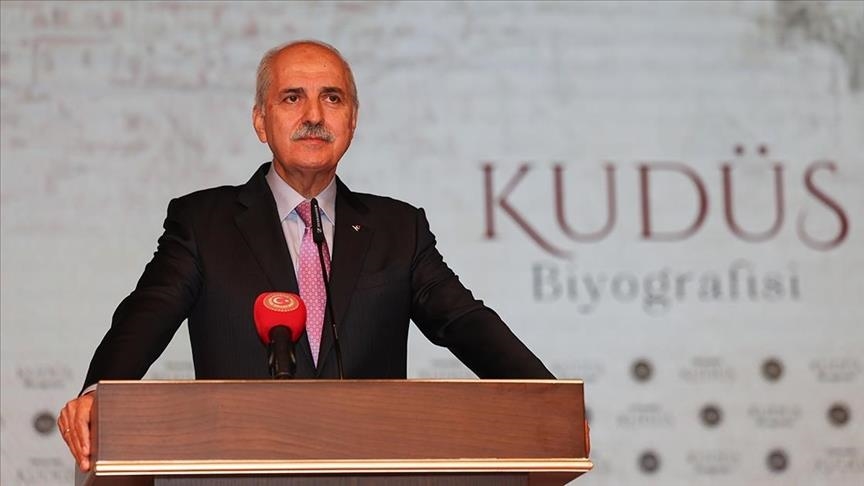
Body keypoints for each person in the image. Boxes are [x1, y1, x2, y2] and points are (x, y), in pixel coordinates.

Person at [57, 40, 554, 471]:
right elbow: (149, 311)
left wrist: (548, 399)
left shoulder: (398, 229)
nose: (314, 116)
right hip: (239, 466)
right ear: (261, 121)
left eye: (332, 98)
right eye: (292, 97)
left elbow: (463, 320)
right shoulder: (203, 222)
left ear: (352, 120)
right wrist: (99, 392)